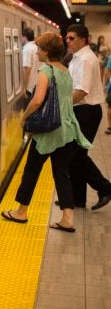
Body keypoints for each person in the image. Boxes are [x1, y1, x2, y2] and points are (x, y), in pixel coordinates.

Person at [1, 32, 91, 232]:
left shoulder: (46, 70)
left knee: (31, 171)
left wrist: (24, 116)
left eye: (40, 49)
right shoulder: (64, 71)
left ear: (47, 51)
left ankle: (21, 212)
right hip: (67, 131)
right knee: (61, 174)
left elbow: (38, 99)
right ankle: (68, 218)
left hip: (48, 133)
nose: (37, 53)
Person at [64, 24, 111, 210]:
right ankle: (78, 199)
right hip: (81, 111)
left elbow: (82, 91)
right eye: (67, 38)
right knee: (76, 156)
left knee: (75, 155)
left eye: (72, 38)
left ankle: (105, 188)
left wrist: (62, 107)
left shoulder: (85, 59)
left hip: (87, 112)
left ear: (83, 40)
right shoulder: (77, 58)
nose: (67, 41)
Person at [22, 27, 41, 104]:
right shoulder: (37, 48)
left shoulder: (27, 49)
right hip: (38, 85)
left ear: (25, 37)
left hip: (30, 88)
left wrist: (24, 88)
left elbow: (27, 70)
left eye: (21, 37)